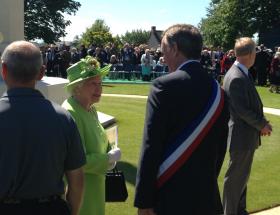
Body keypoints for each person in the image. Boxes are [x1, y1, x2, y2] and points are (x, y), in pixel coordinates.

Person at [134, 24, 229, 215]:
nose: (163, 56)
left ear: (174, 48)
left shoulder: (164, 86)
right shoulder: (220, 92)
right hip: (207, 199)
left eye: (163, 50)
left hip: (169, 199)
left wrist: (144, 200)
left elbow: (151, 146)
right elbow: (220, 149)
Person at [0, 41, 86, 215]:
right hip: (51, 208)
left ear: (3, 70)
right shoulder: (63, 118)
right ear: (41, 72)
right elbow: (76, 179)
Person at [62, 56, 121, 215]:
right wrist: (107, 159)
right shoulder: (70, 113)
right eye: (93, 84)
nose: (99, 89)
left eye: (100, 83)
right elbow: (76, 161)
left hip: (95, 188)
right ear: (77, 88)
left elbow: (99, 140)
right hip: (80, 193)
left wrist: (111, 149)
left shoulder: (91, 109)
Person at [222, 37, 273, 215]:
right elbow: (242, 110)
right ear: (251, 54)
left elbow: (248, 106)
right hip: (241, 136)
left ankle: (238, 210)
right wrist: (262, 125)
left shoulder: (240, 72)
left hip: (243, 135)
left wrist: (262, 123)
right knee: (235, 179)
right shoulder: (237, 76)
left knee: (240, 178)